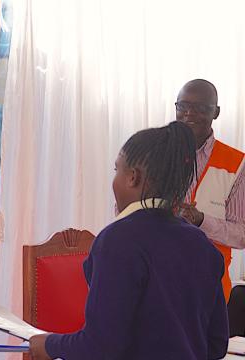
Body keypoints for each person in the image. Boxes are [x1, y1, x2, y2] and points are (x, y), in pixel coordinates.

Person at [29, 122, 228, 360]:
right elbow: (216, 346)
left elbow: (100, 347)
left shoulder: (117, 241)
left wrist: (50, 345)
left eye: (117, 170)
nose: (114, 180)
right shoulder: (201, 244)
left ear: (133, 177)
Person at [176, 79, 245, 304]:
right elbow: (126, 210)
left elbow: (241, 233)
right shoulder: (154, 154)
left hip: (210, 285)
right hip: (158, 277)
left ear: (216, 112)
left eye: (200, 108)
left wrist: (202, 221)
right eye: (183, 106)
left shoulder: (237, 163)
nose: (189, 114)